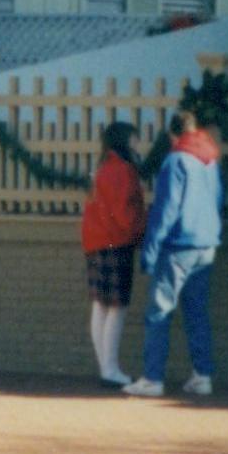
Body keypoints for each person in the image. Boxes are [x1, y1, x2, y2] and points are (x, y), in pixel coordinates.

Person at [124, 105, 223, 401]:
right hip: (206, 242)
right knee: (196, 312)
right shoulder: (210, 160)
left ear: (172, 134)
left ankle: (153, 377)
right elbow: (218, 199)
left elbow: (166, 209)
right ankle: (202, 375)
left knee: (159, 311)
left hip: (178, 245)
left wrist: (150, 251)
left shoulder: (175, 160)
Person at [77, 120, 147, 389]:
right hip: (116, 242)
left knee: (100, 305)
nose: (136, 144)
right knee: (117, 306)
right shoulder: (123, 170)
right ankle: (110, 368)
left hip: (95, 242)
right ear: (124, 141)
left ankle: (106, 366)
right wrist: (141, 228)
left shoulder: (103, 168)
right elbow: (125, 213)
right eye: (134, 138)